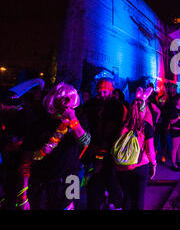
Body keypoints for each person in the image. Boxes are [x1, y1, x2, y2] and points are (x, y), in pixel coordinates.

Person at [16, 82, 91, 210]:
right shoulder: (39, 121)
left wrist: (73, 120)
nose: (68, 101)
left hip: (70, 179)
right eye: (64, 97)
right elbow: (26, 156)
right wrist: (23, 196)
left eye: (71, 97)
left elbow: (85, 142)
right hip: (42, 180)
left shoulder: (79, 118)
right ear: (54, 99)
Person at [83, 78, 124, 210]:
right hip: (93, 148)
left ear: (111, 91)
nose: (101, 95)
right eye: (99, 92)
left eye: (105, 92)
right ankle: (95, 204)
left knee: (112, 177)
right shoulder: (91, 104)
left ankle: (115, 203)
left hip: (110, 148)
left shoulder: (117, 106)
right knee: (94, 178)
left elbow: (119, 127)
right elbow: (84, 123)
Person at [114, 87, 157, 210]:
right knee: (139, 198)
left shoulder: (122, 125)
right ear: (144, 110)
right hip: (140, 165)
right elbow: (150, 150)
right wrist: (153, 165)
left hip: (122, 166)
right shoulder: (146, 126)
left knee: (127, 196)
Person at [168, 96, 180, 171]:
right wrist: (179, 117)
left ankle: (179, 161)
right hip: (176, 131)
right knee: (175, 148)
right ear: (177, 101)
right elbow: (172, 122)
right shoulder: (173, 110)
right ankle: (174, 164)